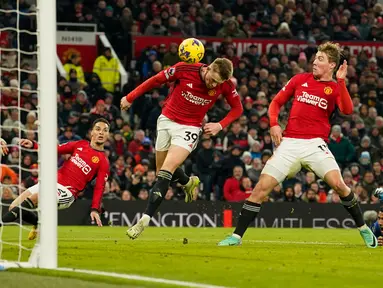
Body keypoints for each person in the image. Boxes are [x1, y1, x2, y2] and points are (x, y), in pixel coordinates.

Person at [218, 42, 378, 248]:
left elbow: (347, 110)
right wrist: (274, 125)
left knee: (339, 185)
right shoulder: (299, 79)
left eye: (320, 59)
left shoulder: (335, 87)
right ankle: (236, 237)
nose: (314, 61)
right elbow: (275, 103)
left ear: (331, 65)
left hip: (315, 144)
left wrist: (342, 82)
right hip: (290, 143)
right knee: (260, 189)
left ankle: (363, 228)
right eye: (315, 57)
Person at [120, 58, 243, 239]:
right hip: (166, 121)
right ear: (208, 68)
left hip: (190, 128)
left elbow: (237, 108)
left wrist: (220, 125)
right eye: (212, 79)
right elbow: (155, 80)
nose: (213, 84)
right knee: (160, 170)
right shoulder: (184, 68)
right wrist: (130, 97)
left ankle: (144, 221)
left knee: (165, 171)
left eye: (218, 83)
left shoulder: (225, 85)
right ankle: (187, 182)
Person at [1, 118, 110, 240]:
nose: (101, 133)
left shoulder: (103, 162)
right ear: (92, 133)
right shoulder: (80, 144)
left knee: (36, 197)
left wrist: (95, 209)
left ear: (108, 135)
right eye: (98, 129)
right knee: (13, 207)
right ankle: (38, 223)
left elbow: (100, 187)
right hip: (51, 183)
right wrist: (34, 144)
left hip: (67, 192)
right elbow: (55, 149)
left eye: (105, 130)